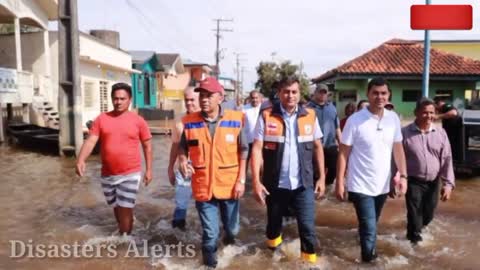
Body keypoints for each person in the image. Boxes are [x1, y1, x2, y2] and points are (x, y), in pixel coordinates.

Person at [251, 75, 326, 264]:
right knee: (274, 226)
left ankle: (309, 264)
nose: (290, 96)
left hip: (304, 184)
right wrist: (256, 182)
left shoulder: (310, 115)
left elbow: (318, 147)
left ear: (300, 94)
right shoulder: (267, 115)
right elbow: (257, 148)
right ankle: (271, 257)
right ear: (279, 93)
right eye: (286, 92)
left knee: (308, 229)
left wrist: (322, 178)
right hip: (276, 185)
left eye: (294, 92)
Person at [177, 77, 248, 268]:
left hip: (230, 185)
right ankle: (210, 265)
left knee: (232, 229)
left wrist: (242, 180)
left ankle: (229, 246)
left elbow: (244, 151)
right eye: (202, 95)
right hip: (203, 187)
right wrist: (183, 161)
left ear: (220, 97)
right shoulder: (190, 123)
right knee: (210, 234)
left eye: (209, 95)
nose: (204, 99)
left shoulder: (237, 118)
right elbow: (182, 148)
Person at [335, 77, 407, 263]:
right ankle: (369, 262)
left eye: (383, 93)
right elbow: (343, 153)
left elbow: (398, 149)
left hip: (382, 184)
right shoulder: (355, 120)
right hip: (359, 184)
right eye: (375, 93)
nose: (379, 97)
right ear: (368, 94)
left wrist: (403, 175)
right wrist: (340, 182)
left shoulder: (393, 119)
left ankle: (364, 246)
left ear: (389, 95)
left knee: (371, 224)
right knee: (369, 227)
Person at [76, 83, 152, 235]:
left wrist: (149, 170)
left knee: (124, 208)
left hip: (130, 173)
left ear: (130, 99)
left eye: (122, 99)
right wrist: (81, 160)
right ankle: (127, 224)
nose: (118, 102)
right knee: (116, 207)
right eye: (115, 98)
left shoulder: (138, 121)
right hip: (108, 174)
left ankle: (125, 241)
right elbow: (91, 140)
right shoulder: (102, 119)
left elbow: (147, 146)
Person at [402, 97, 455, 244]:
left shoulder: (441, 133)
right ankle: (413, 244)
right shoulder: (405, 133)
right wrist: (396, 179)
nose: (429, 116)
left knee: (428, 215)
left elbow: (447, 159)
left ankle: (413, 230)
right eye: (425, 113)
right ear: (416, 113)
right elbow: (397, 159)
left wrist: (448, 184)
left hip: (433, 182)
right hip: (413, 181)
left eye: (432, 113)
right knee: (414, 214)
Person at [167, 87, 199, 230]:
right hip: (184, 166)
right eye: (186, 100)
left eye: (192, 100)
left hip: (204, 166)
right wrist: (170, 168)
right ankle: (178, 235)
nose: (189, 103)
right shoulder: (179, 120)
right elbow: (175, 144)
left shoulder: (206, 119)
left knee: (207, 202)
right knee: (181, 202)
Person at [307, 83, 341, 186]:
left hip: (330, 145)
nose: (322, 95)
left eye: (324, 93)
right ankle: (316, 191)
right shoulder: (308, 109)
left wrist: (342, 144)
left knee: (334, 169)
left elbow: (337, 128)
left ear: (327, 95)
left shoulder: (332, 108)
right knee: (315, 173)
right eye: (320, 92)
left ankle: (326, 189)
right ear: (315, 93)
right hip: (314, 147)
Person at [434, 97, 462, 161]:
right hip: (451, 132)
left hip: (454, 132)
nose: (436, 109)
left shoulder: (445, 106)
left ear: (438, 104)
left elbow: (454, 113)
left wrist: (438, 116)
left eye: (436, 107)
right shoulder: (444, 109)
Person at [242, 90, 262, 167]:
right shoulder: (244, 109)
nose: (255, 100)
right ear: (250, 98)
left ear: (260, 98)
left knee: (260, 164)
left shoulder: (263, 108)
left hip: (259, 141)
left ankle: (259, 179)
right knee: (245, 162)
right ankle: (243, 178)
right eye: (253, 98)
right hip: (248, 141)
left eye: (256, 98)